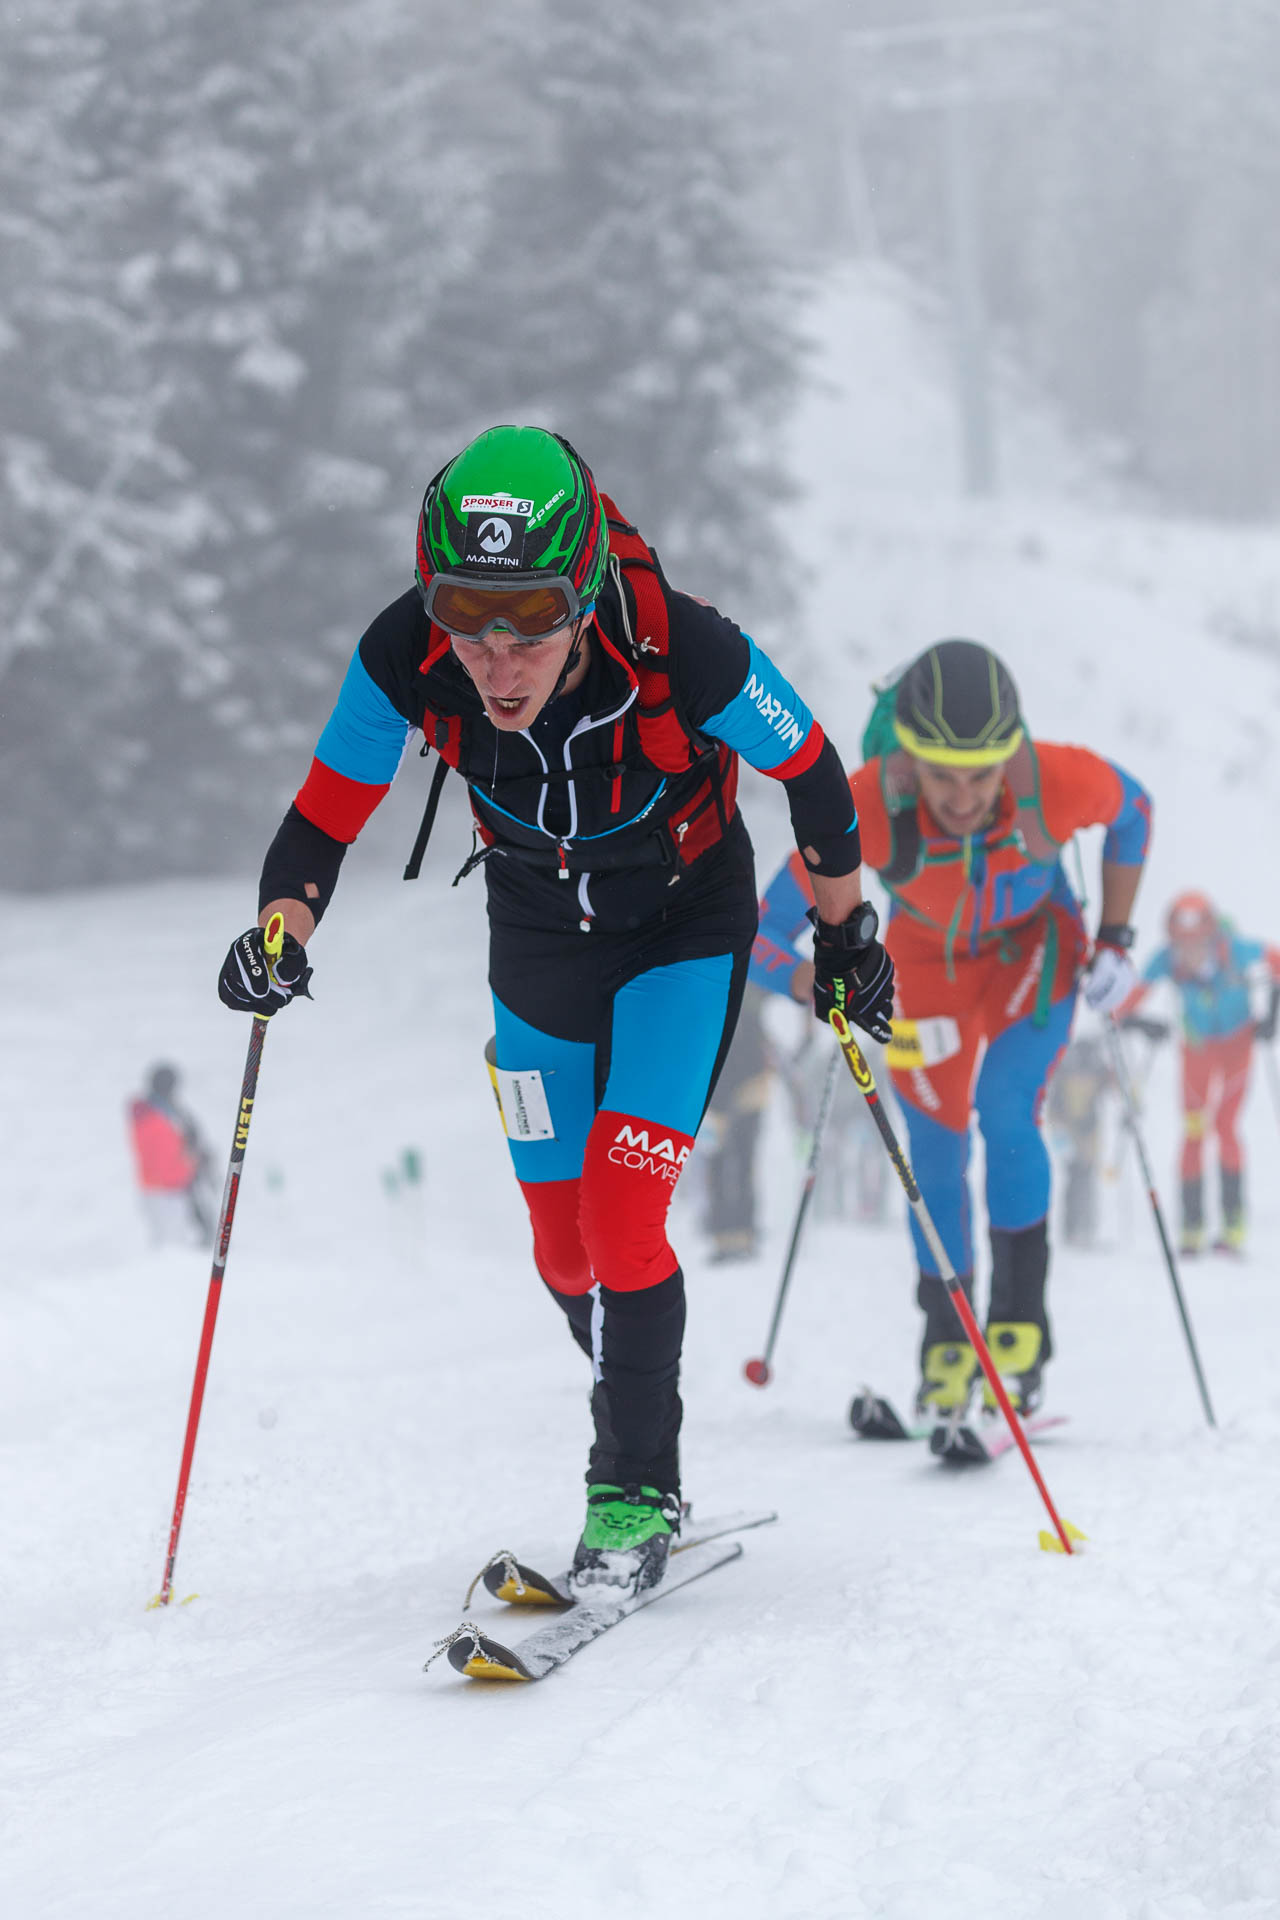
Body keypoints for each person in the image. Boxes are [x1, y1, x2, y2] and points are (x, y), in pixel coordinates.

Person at [216, 425, 893, 1595]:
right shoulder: (403, 656)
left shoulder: (684, 646)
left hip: (682, 922)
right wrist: (281, 931)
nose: (492, 653)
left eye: (526, 615)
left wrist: (845, 937)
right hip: (535, 929)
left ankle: (632, 1482)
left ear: (579, 594)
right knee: (560, 1238)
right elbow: (325, 811)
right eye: (464, 610)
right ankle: (637, 1390)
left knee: (623, 1207)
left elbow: (815, 773)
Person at [751, 638, 1152, 1426]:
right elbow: (757, 932)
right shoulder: (863, 799)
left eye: (983, 773)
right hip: (923, 969)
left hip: (1032, 954)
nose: (964, 797)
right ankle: (947, 1337)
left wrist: (1117, 940)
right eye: (942, 774)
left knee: (1007, 1113)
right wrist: (818, 980)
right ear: (908, 759)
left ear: (1012, 752)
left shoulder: (1053, 778)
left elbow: (1134, 812)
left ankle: (1018, 1329)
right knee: (933, 1146)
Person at [1121, 892, 1280, 1255]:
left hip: (1238, 1045)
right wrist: (1141, 1023)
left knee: (1225, 1126)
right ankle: (1191, 1227)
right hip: (1196, 1048)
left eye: (1197, 943)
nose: (1189, 952)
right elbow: (1125, 1003)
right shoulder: (1166, 960)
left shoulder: (1237, 950)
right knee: (1194, 1128)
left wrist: (1273, 1014)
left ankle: (1233, 1224)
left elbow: (1277, 964)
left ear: (1212, 936)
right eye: (1182, 944)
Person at [699, 983, 773, 1263]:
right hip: (721, 1092)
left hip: (742, 1091)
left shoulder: (750, 993)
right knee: (725, 1165)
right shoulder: (737, 993)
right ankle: (729, 1235)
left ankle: (739, 1233)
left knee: (735, 1164)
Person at [126, 1063, 214, 1246]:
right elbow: (167, 1160)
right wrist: (196, 1162)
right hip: (165, 1190)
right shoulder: (153, 1118)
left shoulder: (165, 1112)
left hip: (169, 1188)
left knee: (175, 1241)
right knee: (172, 1245)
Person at [1045, 1032, 1115, 1248]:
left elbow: (1111, 1085)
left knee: (1084, 1176)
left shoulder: (1085, 1069)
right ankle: (1074, 1229)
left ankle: (1085, 1228)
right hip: (1071, 1132)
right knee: (1077, 1177)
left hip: (1086, 1131)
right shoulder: (1070, 1071)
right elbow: (1055, 1106)